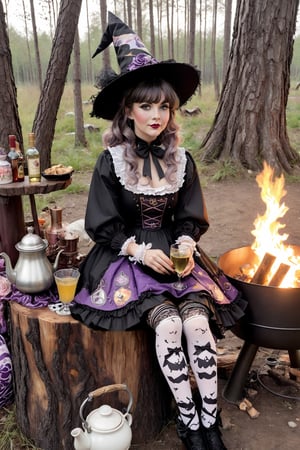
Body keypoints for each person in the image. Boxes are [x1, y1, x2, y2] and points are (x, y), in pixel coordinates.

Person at [72, 12, 246, 450]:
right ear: (127, 108)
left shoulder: (182, 159)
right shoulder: (110, 161)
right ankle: (189, 424)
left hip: (175, 252)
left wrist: (186, 239)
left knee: (197, 322)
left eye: (164, 106)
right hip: (127, 257)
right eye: (146, 105)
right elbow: (102, 224)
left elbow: (189, 216)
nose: (156, 115)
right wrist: (136, 249)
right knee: (168, 325)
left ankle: (211, 422)